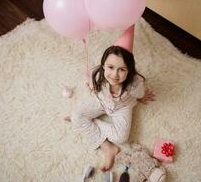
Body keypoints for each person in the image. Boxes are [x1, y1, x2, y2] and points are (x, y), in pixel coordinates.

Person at [65, 25, 155, 172]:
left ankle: (87, 121)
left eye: (122, 70)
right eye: (111, 67)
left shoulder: (135, 83)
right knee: (78, 115)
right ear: (103, 66)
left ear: (129, 71)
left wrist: (143, 96)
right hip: (101, 102)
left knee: (121, 138)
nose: (115, 75)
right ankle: (108, 148)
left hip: (122, 107)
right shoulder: (98, 73)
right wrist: (92, 88)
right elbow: (93, 85)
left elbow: (139, 94)